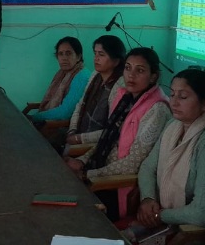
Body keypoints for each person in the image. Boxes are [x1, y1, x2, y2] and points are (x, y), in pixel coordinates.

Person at [134, 68, 205, 231]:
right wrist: (148, 199)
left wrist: (158, 216)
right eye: (172, 94)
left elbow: (203, 213)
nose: (174, 102)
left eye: (183, 97)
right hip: (174, 222)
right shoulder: (173, 125)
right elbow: (147, 167)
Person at [67, 47, 171, 220]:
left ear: (154, 76)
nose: (131, 75)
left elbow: (134, 163)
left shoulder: (157, 109)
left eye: (140, 70)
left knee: (74, 212)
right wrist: (82, 160)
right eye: (128, 68)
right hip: (100, 174)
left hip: (119, 186)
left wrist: (88, 174)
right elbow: (107, 140)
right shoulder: (127, 98)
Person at [65, 35, 127, 146]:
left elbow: (112, 128)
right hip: (78, 135)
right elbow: (80, 105)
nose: (96, 58)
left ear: (116, 61)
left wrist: (79, 138)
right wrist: (72, 130)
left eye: (101, 54)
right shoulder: (95, 75)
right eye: (95, 53)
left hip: (97, 144)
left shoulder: (120, 86)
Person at [28, 36, 91, 122]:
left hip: (63, 126)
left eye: (68, 53)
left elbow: (65, 113)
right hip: (50, 122)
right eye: (60, 54)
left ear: (78, 57)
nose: (64, 58)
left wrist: (35, 118)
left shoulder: (82, 76)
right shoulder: (62, 73)